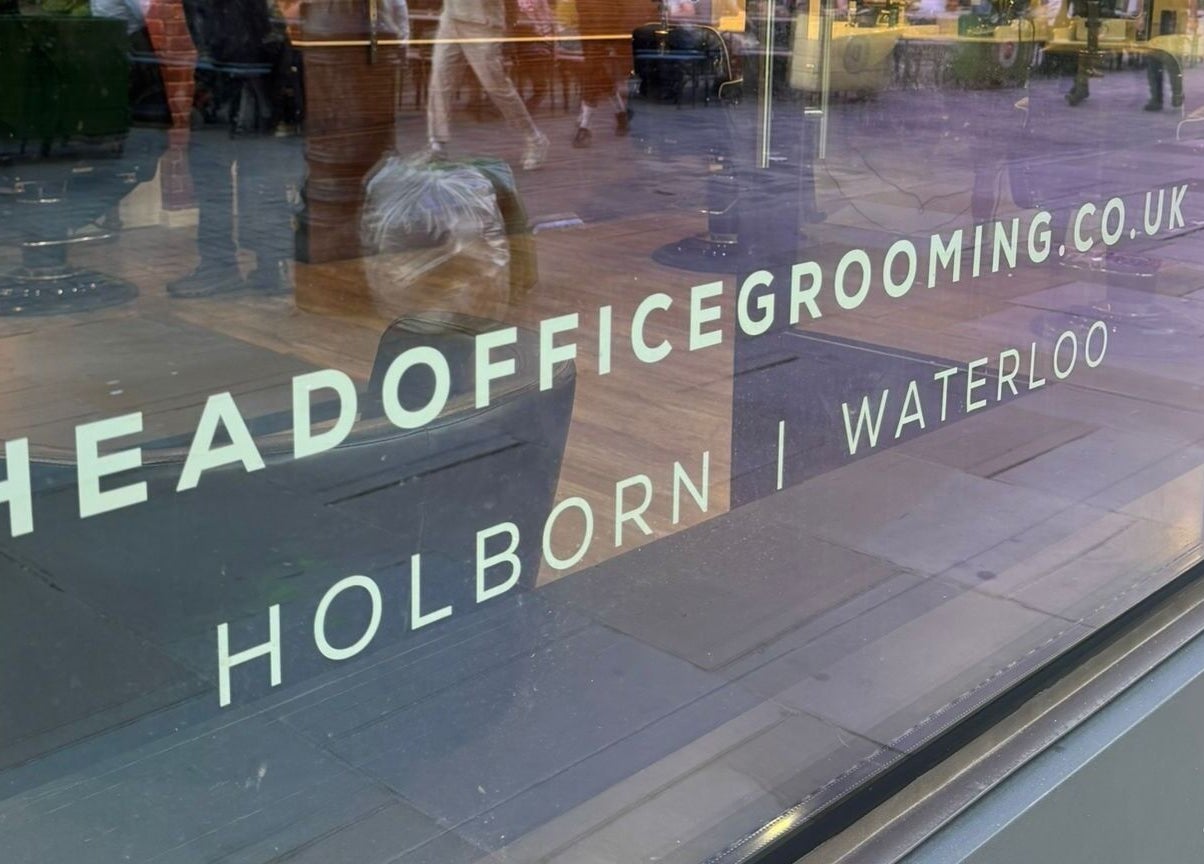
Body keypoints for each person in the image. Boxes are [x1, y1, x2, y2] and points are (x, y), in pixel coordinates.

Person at [168, 0, 301, 297]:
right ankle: (268, 265)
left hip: (232, 82)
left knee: (215, 176)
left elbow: (225, 39)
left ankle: (221, 266)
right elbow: (271, 34)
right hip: (252, 80)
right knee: (259, 177)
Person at [427, 0, 550, 170]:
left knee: (496, 86)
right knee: (440, 78)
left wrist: (508, 26)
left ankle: (534, 138)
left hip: (483, 22)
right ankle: (437, 143)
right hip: (451, 18)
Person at [569, 0, 636, 147]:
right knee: (599, 76)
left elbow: (618, 9)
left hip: (603, 34)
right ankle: (622, 115)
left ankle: (585, 127)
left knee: (591, 75)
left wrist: (610, 39)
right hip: (589, 33)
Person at [1141, 0, 1197, 110]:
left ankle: (1177, 94)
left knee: (1172, 57)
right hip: (1155, 16)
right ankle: (1156, 98)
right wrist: (1140, 15)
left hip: (1175, 13)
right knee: (1153, 58)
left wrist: (1193, 16)